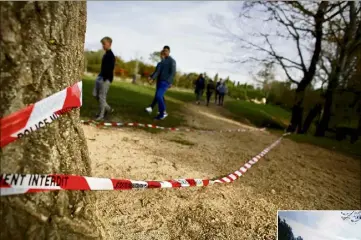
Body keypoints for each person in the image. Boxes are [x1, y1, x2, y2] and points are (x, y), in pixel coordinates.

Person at [93, 36, 115, 121]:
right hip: (100, 77)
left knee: (102, 97)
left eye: (104, 44)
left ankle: (101, 115)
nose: (102, 46)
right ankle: (108, 108)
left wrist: (105, 78)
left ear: (109, 44)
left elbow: (110, 69)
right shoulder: (106, 54)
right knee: (95, 94)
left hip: (106, 79)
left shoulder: (111, 56)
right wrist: (99, 76)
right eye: (102, 44)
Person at [153, 45, 176, 120]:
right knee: (160, 97)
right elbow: (158, 71)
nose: (165, 52)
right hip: (160, 81)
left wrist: (170, 82)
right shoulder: (163, 61)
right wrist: (152, 77)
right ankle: (161, 114)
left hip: (166, 82)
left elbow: (173, 73)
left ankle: (163, 112)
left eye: (166, 51)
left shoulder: (172, 61)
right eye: (164, 50)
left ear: (169, 52)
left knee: (159, 96)